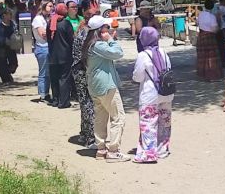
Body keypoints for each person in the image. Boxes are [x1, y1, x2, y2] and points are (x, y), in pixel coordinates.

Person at [83, 15, 129, 162]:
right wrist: (110, 39)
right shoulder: (99, 45)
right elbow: (118, 53)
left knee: (101, 117)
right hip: (106, 86)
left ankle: (101, 148)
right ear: (100, 30)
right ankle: (113, 151)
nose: (108, 30)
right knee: (118, 117)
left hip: (95, 86)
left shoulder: (89, 44)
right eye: (106, 28)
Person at [132, 27, 174, 163]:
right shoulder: (163, 52)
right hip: (166, 92)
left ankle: (149, 153)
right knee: (164, 122)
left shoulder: (143, 55)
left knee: (148, 123)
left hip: (149, 94)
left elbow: (138, 77)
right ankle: (162, 150)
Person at [70, 9, 96, 148]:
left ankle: (84, 133)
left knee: (84, 103)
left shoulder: (81, 31)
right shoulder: (87, 34)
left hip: (77, 70)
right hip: (83, 70)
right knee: (89, 103)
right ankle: (91, 137)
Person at [47, 3, 75, 108]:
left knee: (54, 79)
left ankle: (55, 100)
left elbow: (49, 39)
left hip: (52, 55)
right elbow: (71, 39)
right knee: (64, 78)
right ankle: (63, 102)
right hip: (65, 55)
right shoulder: (66, 23)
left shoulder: (50, 22)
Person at [196, 0, 222, 81]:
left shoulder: (200, 14)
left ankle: (203, 74)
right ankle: (212, 75)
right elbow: (214, 29)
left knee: (203, 56)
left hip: (201, 35)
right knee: (211, 57)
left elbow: (197, 23)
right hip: (210, 36)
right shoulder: (212, 16)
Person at [32, 0, 53, 102]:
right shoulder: (38, 19)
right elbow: (42, 34)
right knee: (43, 72)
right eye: (50, 6)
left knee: (48, 72)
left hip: (48, 47)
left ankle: (46, 93)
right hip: (42, 47)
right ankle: (43, 95)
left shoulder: (47, 18)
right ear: (44, 6)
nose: (52, 8)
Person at [0, 10, 18, 83]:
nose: (11, 16)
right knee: (1, 64)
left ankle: (7, 73)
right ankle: (6, 80)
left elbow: (16, 32)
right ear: (4, 15)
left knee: (14, 64)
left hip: (11, 46)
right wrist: (4, 40)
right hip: (0, 47)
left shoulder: (13, 23)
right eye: (9, 14)